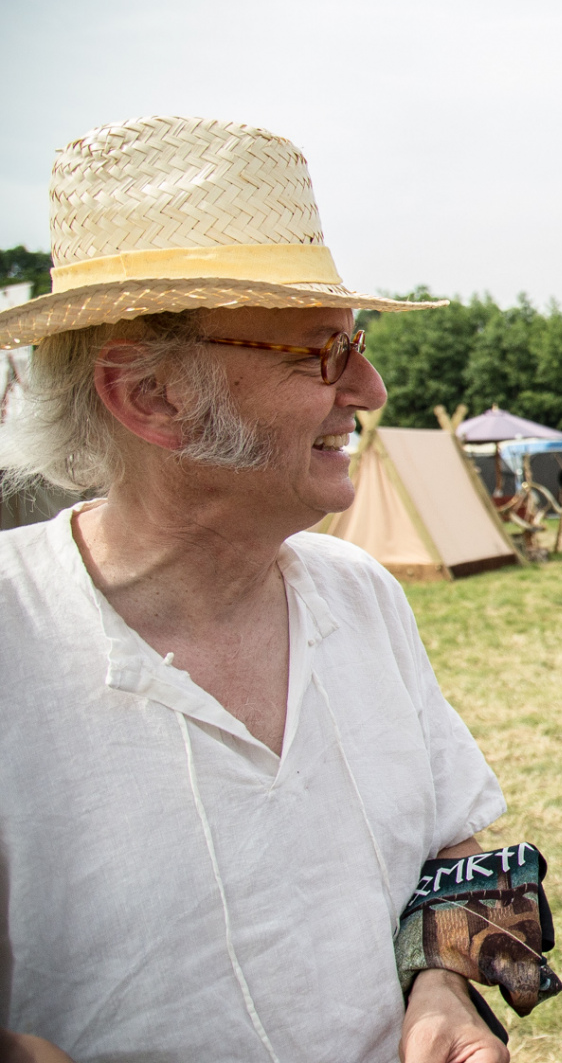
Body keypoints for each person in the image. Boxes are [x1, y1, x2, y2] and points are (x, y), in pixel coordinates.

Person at [0, 116, 510, 1063]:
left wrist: (443, 985)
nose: (370, 388)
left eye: (354, 342)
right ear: (150, 395)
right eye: (320, 351)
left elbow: (460, 853)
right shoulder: (12, 637)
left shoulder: (361, 594)